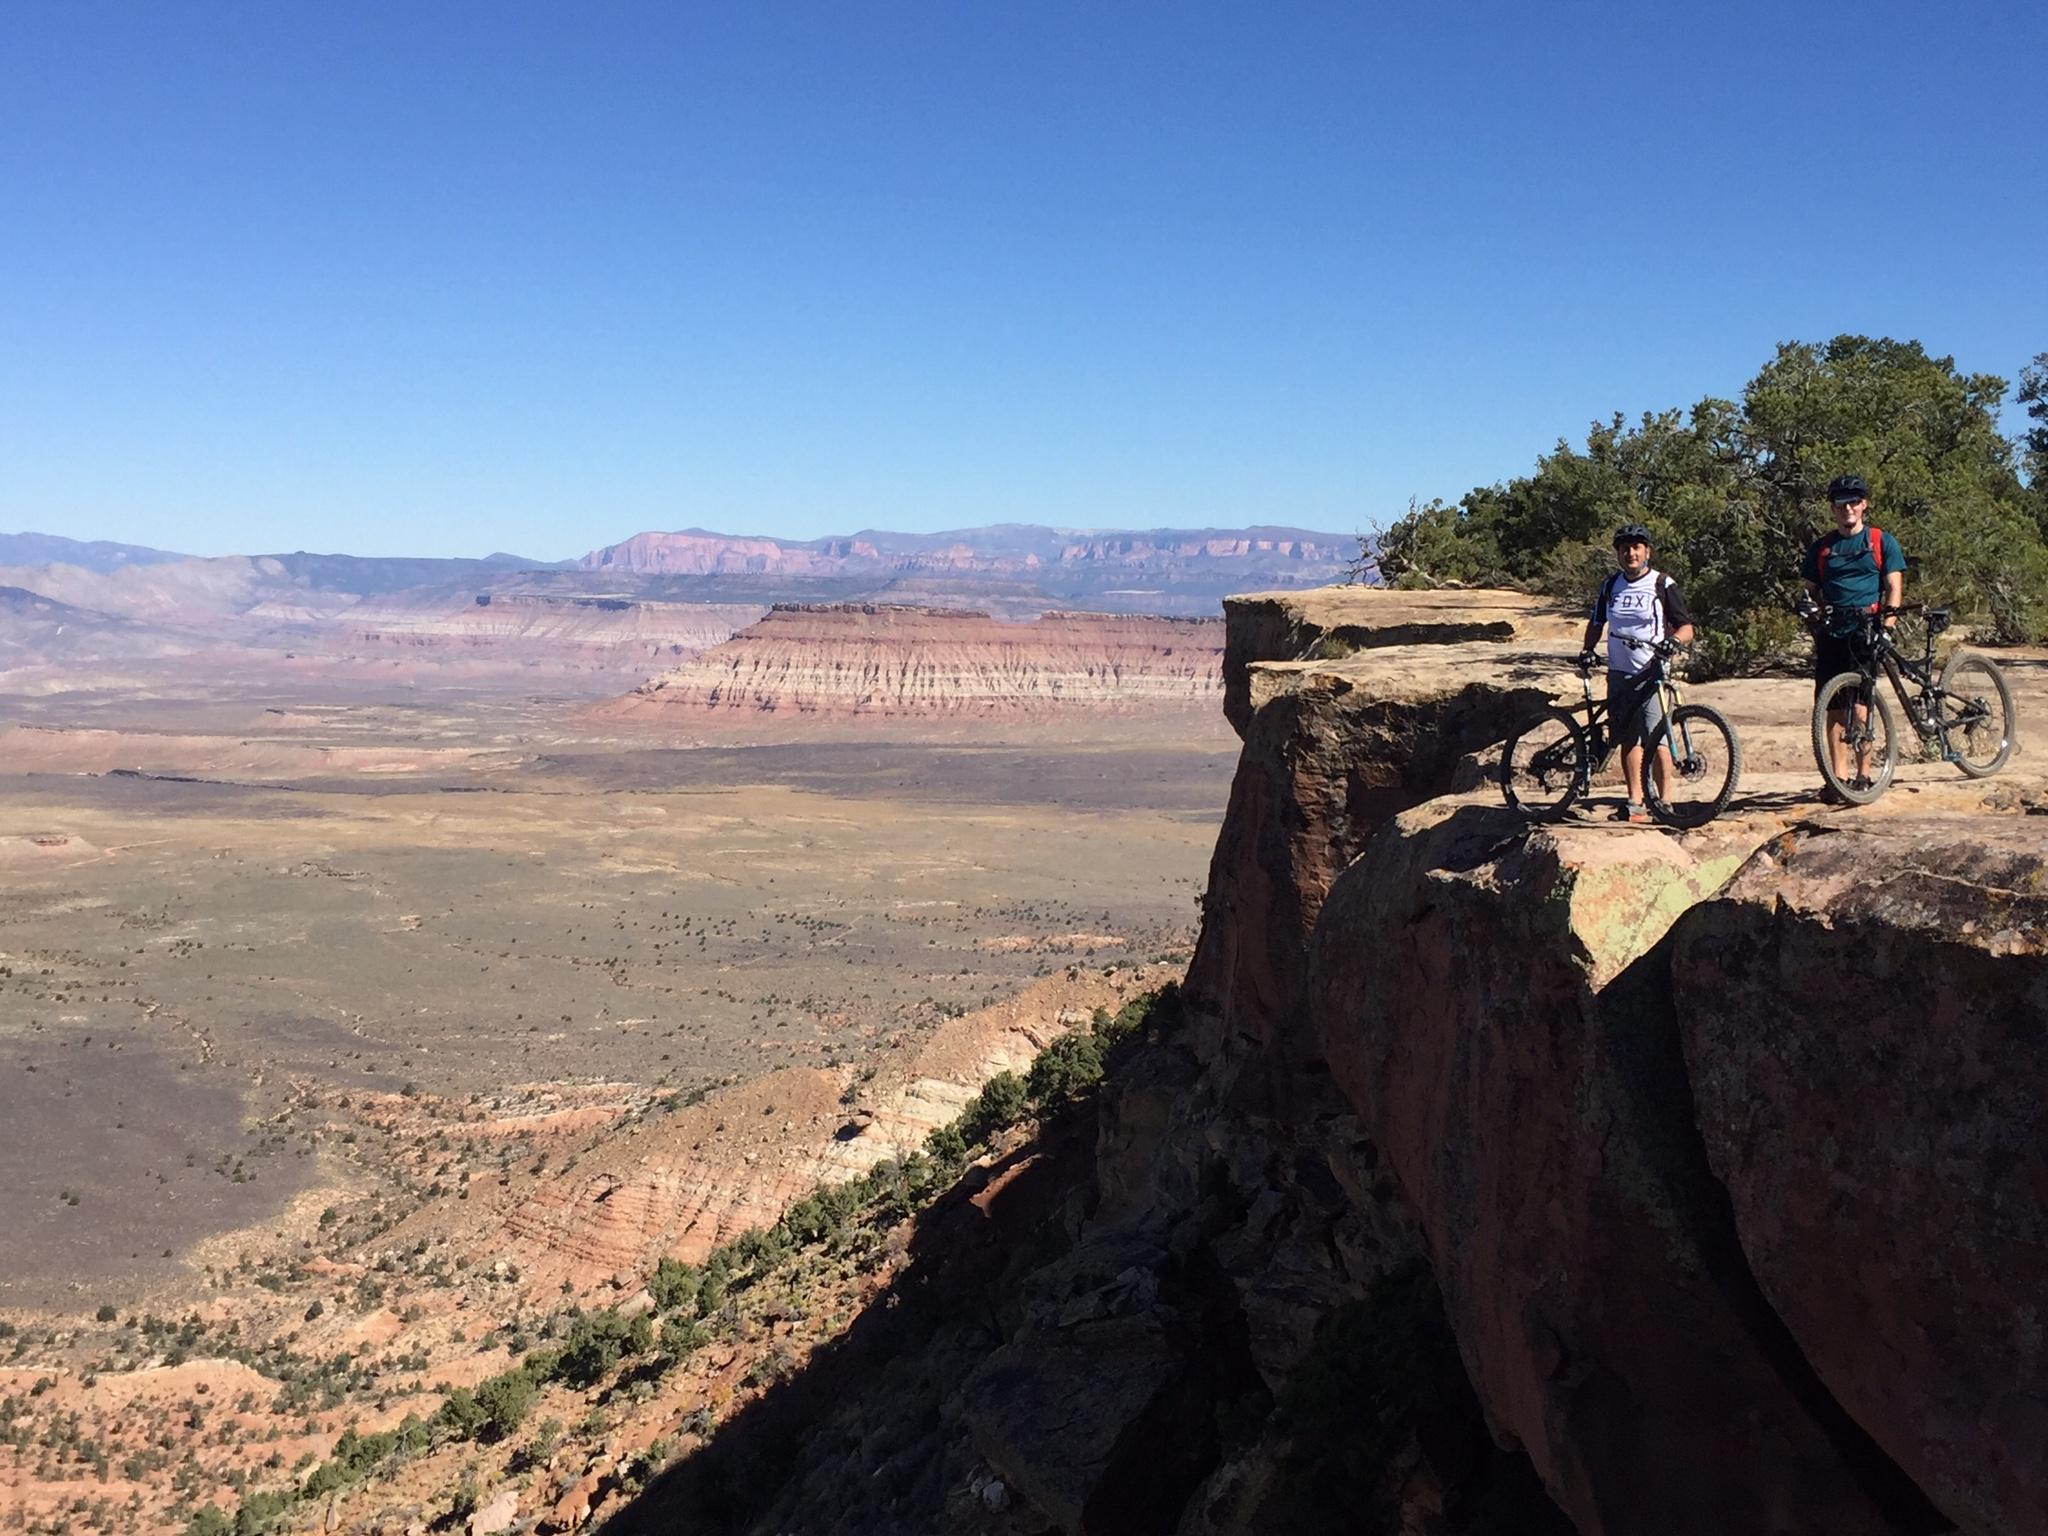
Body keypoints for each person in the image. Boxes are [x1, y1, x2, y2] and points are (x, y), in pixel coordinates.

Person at [1579, 523, 1695, 823]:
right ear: (1618, 553)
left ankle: (1665, 801)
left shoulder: (1662, 583)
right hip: (1619, 672)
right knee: (1628, 738)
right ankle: (1635, 801)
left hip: (1652, 671)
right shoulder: (1610, 585)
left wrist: (1673, 641)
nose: (1631, 553)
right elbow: (1596, 623)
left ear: (1647, 552)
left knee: (1656, 735)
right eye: (1625, 548)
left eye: (1636, 547)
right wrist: (1588, 650)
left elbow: (1686, 627)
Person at [1800, 473, 1906, 795]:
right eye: (1840, 503)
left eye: (1853, 502)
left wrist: (1887, 628)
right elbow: (1809, 590)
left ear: (1863, 505)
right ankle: (1837, 779)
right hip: (1832, 631)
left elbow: (1894, 586)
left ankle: (1863, 774)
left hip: (1867, 627)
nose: (1847, 508)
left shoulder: (1879, 541)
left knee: (1861, 704)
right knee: (1830, 708)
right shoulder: (1823, 547)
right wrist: (1807, 609)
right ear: (1832, 509)